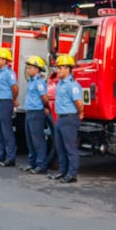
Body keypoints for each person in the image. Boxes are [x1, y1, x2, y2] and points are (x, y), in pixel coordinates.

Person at [49, 54, 83, 183]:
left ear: (68, 69)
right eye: (58, 67)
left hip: (69, 118)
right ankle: (62, 172)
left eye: (60, 67)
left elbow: (79, 103)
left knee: (70, 148)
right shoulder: (60, 84)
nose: (58, 70)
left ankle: (72, 174)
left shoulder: (72, 85)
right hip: (61, 118)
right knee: (60, 147)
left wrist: (79, 114)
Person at [0, 47, 18, 167]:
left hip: (6, 102)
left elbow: (15, 88)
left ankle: (10, 158)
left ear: (5, 60)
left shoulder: (9, 74)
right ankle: (0, 155)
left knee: (6, 130)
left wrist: (13, 99)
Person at [22, 55, 50, 174]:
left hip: (36, 113)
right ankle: (32, 163)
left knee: (38, 140)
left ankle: (41, 165)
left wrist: (45, 107)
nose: (28, 70)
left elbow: (44, 98)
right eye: (27, 68)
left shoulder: (39, 82)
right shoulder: (31, 81)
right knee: (30, 140)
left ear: (37, 69)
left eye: (30, 68)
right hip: (29, 112)